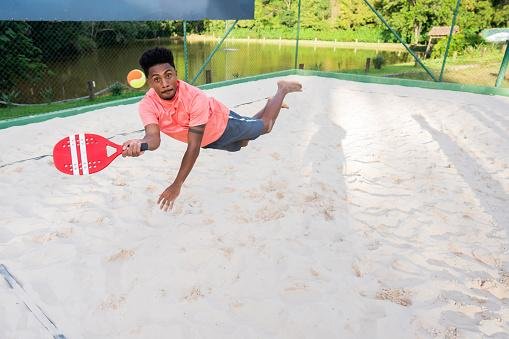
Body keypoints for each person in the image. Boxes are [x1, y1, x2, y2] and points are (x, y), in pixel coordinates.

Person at [122, 47, 302, 211]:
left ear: (176, 73)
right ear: (150, 83)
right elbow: (153, 138)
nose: (165, 83)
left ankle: (281, 90)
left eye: (168, 75)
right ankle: (270, 104)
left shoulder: (194, 97)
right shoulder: (147, 105)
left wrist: (177, 184)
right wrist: (140, 144)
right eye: (157, 79)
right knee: (244, 142)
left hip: (223, 123)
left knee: (266, 126)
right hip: (208, 139)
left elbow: (193, 146)